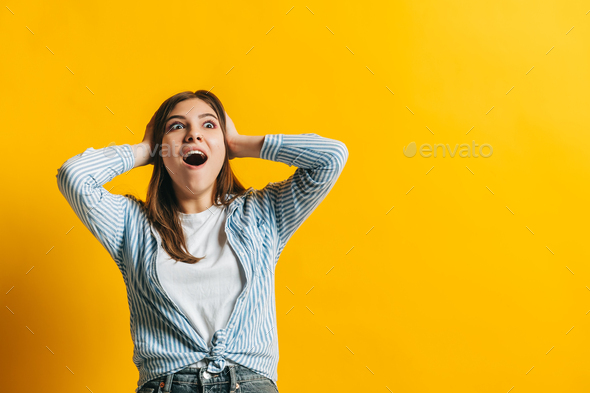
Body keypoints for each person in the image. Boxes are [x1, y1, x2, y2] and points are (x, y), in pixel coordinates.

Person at [56, 90, 349, 393]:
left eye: (209, 125)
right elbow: (74, 176)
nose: (194, 134)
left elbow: (331, 157)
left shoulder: (263, 214)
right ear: (162, 149)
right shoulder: (132, 225)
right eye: (177, 126)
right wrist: (145, 148)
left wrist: (240, 143)